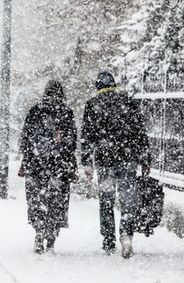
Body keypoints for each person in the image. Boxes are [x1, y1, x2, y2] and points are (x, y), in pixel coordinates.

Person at [81, 71, 151, 258]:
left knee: (106, 200)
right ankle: (126, 233)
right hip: (127, 159)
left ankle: (108, 240)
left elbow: (87, 136)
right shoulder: (128, 102)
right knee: (128, 200)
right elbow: (140, 132)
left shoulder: (93, 104)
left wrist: (87, 162)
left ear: (98, 87)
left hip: (105, 161)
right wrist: (145, 159)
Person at [18, 79, 78, 254]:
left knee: (37, 200)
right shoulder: (66, 113)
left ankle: (38, 231)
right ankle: (51, 237)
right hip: (59, 166)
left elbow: (25, 139)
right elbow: (72, 142)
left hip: (35, 165)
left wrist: (30, 156)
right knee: (56, 200)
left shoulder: (35, 111)